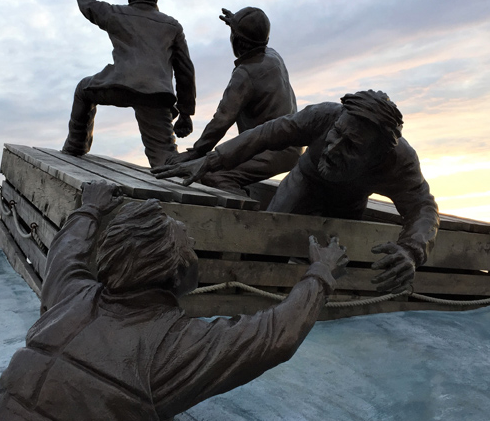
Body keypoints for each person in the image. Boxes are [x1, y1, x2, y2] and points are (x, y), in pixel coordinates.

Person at [0, 181, 349, 421]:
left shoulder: (71, 294)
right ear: (175, 269)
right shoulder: (177, 346)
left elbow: (67, 249)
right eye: (190, 246)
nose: (195, 251)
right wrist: (321, 273)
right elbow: (275, 335)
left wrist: (90, 207)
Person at [153, 90, 440, 294]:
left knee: (338, 271)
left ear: (376, 156)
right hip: (305, 183)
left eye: (351, 145)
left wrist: (411, 250)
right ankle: (252, 299)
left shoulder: (398, 161)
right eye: (336, 133)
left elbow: (423, 206)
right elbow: (266, 134)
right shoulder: (324, 115)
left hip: (348, 204)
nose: (333, 147)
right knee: (267, 246)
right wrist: (212, 160)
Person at [61, 0, 196, 167]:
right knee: (165, 159)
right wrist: (185, 113)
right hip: (156, 95)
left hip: (119, 85)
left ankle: (76, 145)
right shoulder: (172, 26)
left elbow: (88, 6)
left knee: (83, 90)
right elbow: (185, 71)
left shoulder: (116, 13)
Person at [168, 7, 300, 192]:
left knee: (211, 176)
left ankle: (246, 216)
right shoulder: (273, 56)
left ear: (236, 41)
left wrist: (196, 153)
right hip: (290, 148)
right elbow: (257, 37)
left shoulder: (245, 74)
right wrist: (239, 25)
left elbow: (222, 120)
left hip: (271, 151)